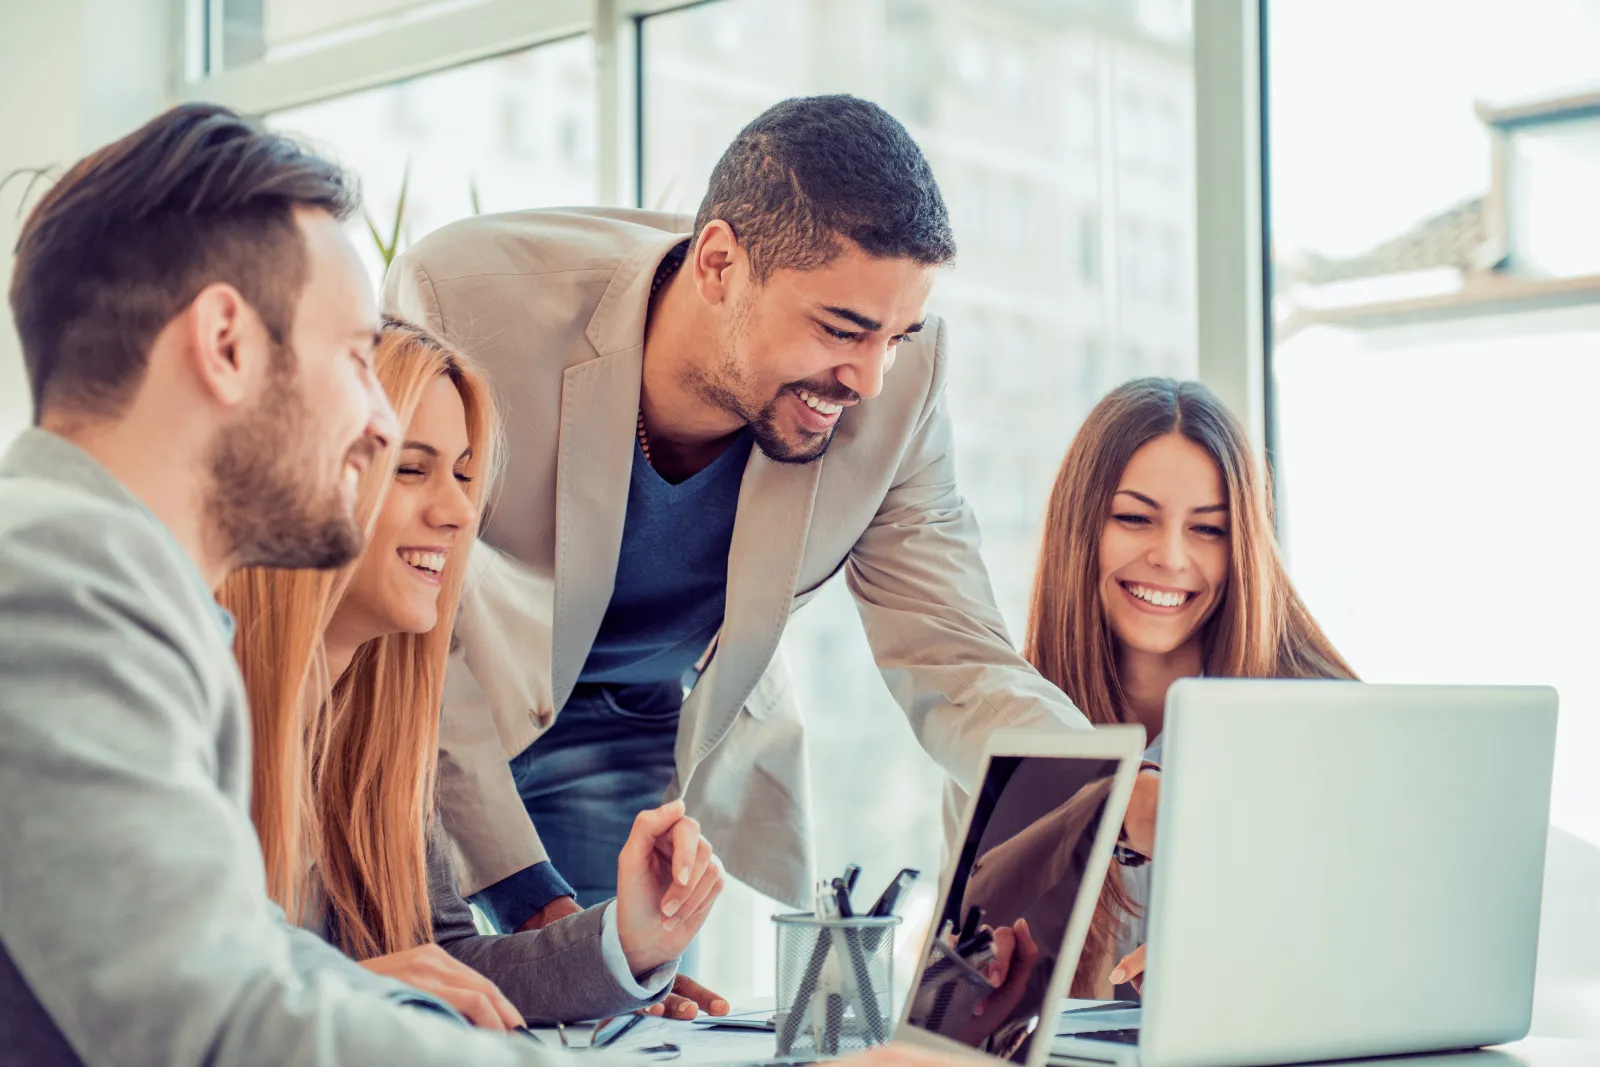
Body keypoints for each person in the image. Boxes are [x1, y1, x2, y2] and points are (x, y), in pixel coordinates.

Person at [0, 101, 974, 1067]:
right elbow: (221, 1021)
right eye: (354, 356)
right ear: (225, 344)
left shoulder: (116, 598)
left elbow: (268, 967)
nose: (377, 420)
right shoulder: (57, 599)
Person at [381, 95, 1091, 1010]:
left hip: (637, 722)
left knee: (616, 1020)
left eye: (897, 336)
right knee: (426, 997)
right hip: (448, 694)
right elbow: (407, 630)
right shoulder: (466, 301)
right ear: (718, 263)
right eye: (842, 329)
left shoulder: (900, 385)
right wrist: (536, 905)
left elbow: (955, 653)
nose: (870, 379)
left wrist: (1106, 792)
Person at [219, 318, 721, 1027]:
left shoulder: (376, 730)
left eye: (462, 473)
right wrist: (345, 989)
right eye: (411, 468)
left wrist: (628, 940)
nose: (460, 511)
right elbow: (142, 999)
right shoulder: (186, 711)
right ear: (297, 480)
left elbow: (440, 962)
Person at [1022, 376, 1356, 995]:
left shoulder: (1326, 727)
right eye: (1134, 518)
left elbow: (1361, 952)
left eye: (1208, 529)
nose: (1171, 558)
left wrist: (1248, 959)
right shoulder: (1013, 722)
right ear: (1080, 528)